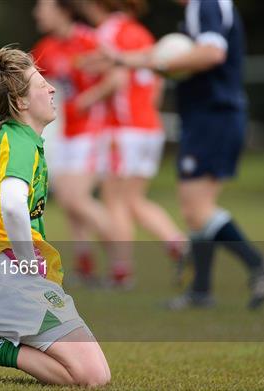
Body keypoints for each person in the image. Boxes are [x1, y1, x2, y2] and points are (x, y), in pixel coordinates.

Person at [107, 0, 264, 309]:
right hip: (212, 116)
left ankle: (258, 264)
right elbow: (166, 56)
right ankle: (201, 291)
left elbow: (212, 53)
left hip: (213, 116)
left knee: (196, 209)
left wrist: (164, 65)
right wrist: (122, 59)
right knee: (198, 209)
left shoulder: (207, 4)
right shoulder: (199, 8)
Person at [0, 47, 110, 387]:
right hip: (12, 284)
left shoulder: (19, 140)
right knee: (93, 377)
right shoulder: (20, 142)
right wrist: (28, 262)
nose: (52, 88)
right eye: (41, 83)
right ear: (20, 102)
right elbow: (12, 205)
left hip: (5, 283)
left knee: (92, 372)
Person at [76, 0, 188, 287]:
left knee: (115, 201)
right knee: (134, 199)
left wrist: (89, 98)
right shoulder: (141, 33)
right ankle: (179, 245)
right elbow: (160, 75)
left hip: (123, 129)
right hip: (149, 126)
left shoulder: (108, 31)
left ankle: (121, 271)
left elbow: (117, 77)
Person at [31, 0, 116, 282]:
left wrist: (88, 99)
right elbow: (25, 79)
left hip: (91, 130)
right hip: (67, 133)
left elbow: (118, 75)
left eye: (43, 8)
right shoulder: (47, 46)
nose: (37, 13)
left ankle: (121, 264)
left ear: (63, 10)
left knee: (76, 199)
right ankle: (86, 265)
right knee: (68, 202)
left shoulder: (89, 40)